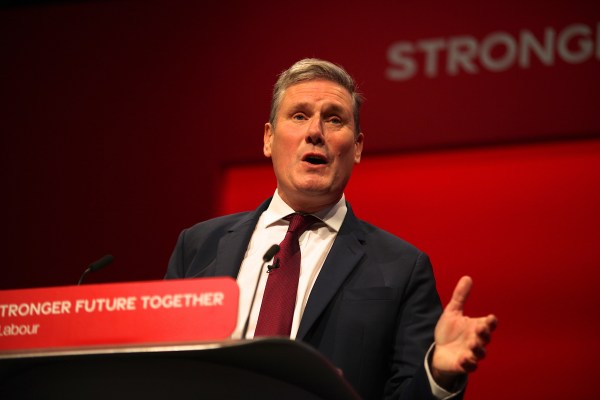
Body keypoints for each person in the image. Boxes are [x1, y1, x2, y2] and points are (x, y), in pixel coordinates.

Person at [165, 58, 497, 400]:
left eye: (334, 119)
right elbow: (162, 372)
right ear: (268, 138)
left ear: (356, 148)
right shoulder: (199, 246)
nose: (314, 132)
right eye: (298, 115)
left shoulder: (402, 269)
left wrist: (437, 374)